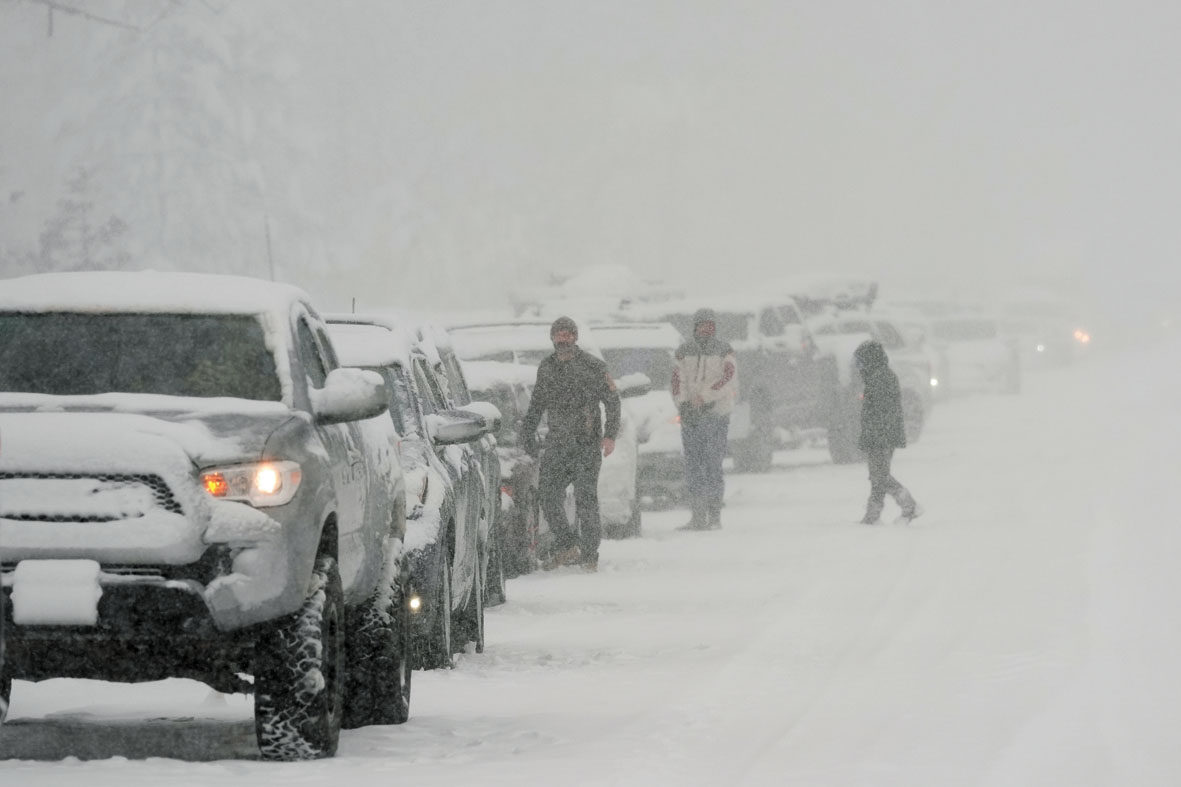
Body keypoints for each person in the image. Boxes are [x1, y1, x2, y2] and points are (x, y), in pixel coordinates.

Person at [521, 316, 621, 571]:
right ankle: (567, 544)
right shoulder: (547, 368)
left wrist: (609, 435)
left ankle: (589, 555)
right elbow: (536, 404)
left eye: (567, 334)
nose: (563, 339)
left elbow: (612, 401)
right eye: (558, 335)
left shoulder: (593, 366)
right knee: (548, 495)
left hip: (586, 446)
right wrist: (527, 433)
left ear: (575, 337)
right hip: (557, 445)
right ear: (552, 338)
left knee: (586, 500)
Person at [672, 308, 737, 529]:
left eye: (710, 325)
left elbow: (727, 379)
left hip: (716, 414)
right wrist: (683, 403)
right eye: (702, 325)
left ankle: (715, 515)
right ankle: (698, 516)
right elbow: (676, 380)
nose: (706, 329)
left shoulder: (724, 351)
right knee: (693, 466)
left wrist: (705, 397)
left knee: (712, 464)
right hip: (691, 416)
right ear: (695, 327)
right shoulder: (683, 351)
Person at [854, 340, 922, 524]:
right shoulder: (880, 376)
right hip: (883, 434)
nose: (858, 366)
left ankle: (909, 505)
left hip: (880, 436)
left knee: (879, 476)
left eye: (860, 361)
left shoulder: (879, 379)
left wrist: (872, 436)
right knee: (878, 475)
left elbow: (878, 413)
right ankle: (872, 516)